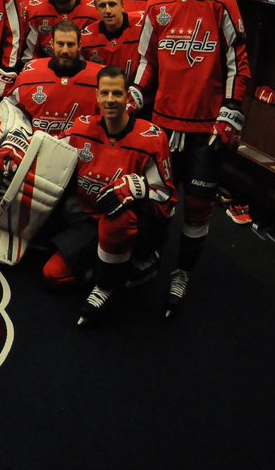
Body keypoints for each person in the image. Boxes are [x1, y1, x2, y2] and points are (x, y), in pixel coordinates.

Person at [132, 0, 250, 316]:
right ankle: (149, 258)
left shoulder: (220, 0)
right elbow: (147, 61)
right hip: (163, 126)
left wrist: (231, 111)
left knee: (197, 207)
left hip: (205, 131)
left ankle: (182, 271)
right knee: (157, 201)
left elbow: (238, 59)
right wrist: (135, 95)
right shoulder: (156, 4)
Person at [36, 66, 175, 317]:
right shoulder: (82, 127)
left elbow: (167, 200)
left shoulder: (152, 138)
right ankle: (117, 269)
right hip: (90, 220)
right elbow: (49, 152)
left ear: (128, 98)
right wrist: (18, 146)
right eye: (105, 93)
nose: (110, 100)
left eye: (117, 94)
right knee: (52, 275)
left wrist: (138, 189)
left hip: (131, 225)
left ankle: (108, 282)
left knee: (118, 212)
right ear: (97, 97)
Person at [80, 0, 144, 79]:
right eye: (102, 6)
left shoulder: (142, 24)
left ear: (122, 5)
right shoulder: (86, 37)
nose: (108, 11)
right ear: (96, 9)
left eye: (112, 4)